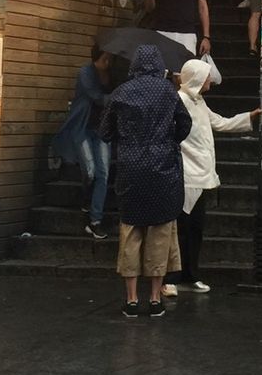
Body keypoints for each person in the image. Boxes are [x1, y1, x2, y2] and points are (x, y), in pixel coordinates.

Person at [99, 43, 191, 320]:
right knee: (160, 233)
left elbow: (104, 132)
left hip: (131, 170)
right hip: (163, 170)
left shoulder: (120, 93)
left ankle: (130, 299)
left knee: (131, 233)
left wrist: (126, 141)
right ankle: (154, 299)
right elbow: (184, 124)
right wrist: (168, 141)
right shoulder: (168, 92)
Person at [165, 58, 259, 295]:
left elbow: (219, 123)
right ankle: (171, 278)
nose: (210, 80)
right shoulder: (179, 101)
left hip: (202, 174)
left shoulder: (199, 102)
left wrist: (249, 117)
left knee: (195, 228)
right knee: (180, 229)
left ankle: (190, 274)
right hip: (185, 174)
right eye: (206, 76)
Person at [52, 45, 113, 241]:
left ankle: (95, 220)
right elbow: (96, 97)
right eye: (105, 57)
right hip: (83, 128)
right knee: (90, 171)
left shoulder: (111, 74)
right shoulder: (86, 72)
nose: (108, 61)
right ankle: (87, 199)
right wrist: (115, 97)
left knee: (103, 173)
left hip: (101, 130)